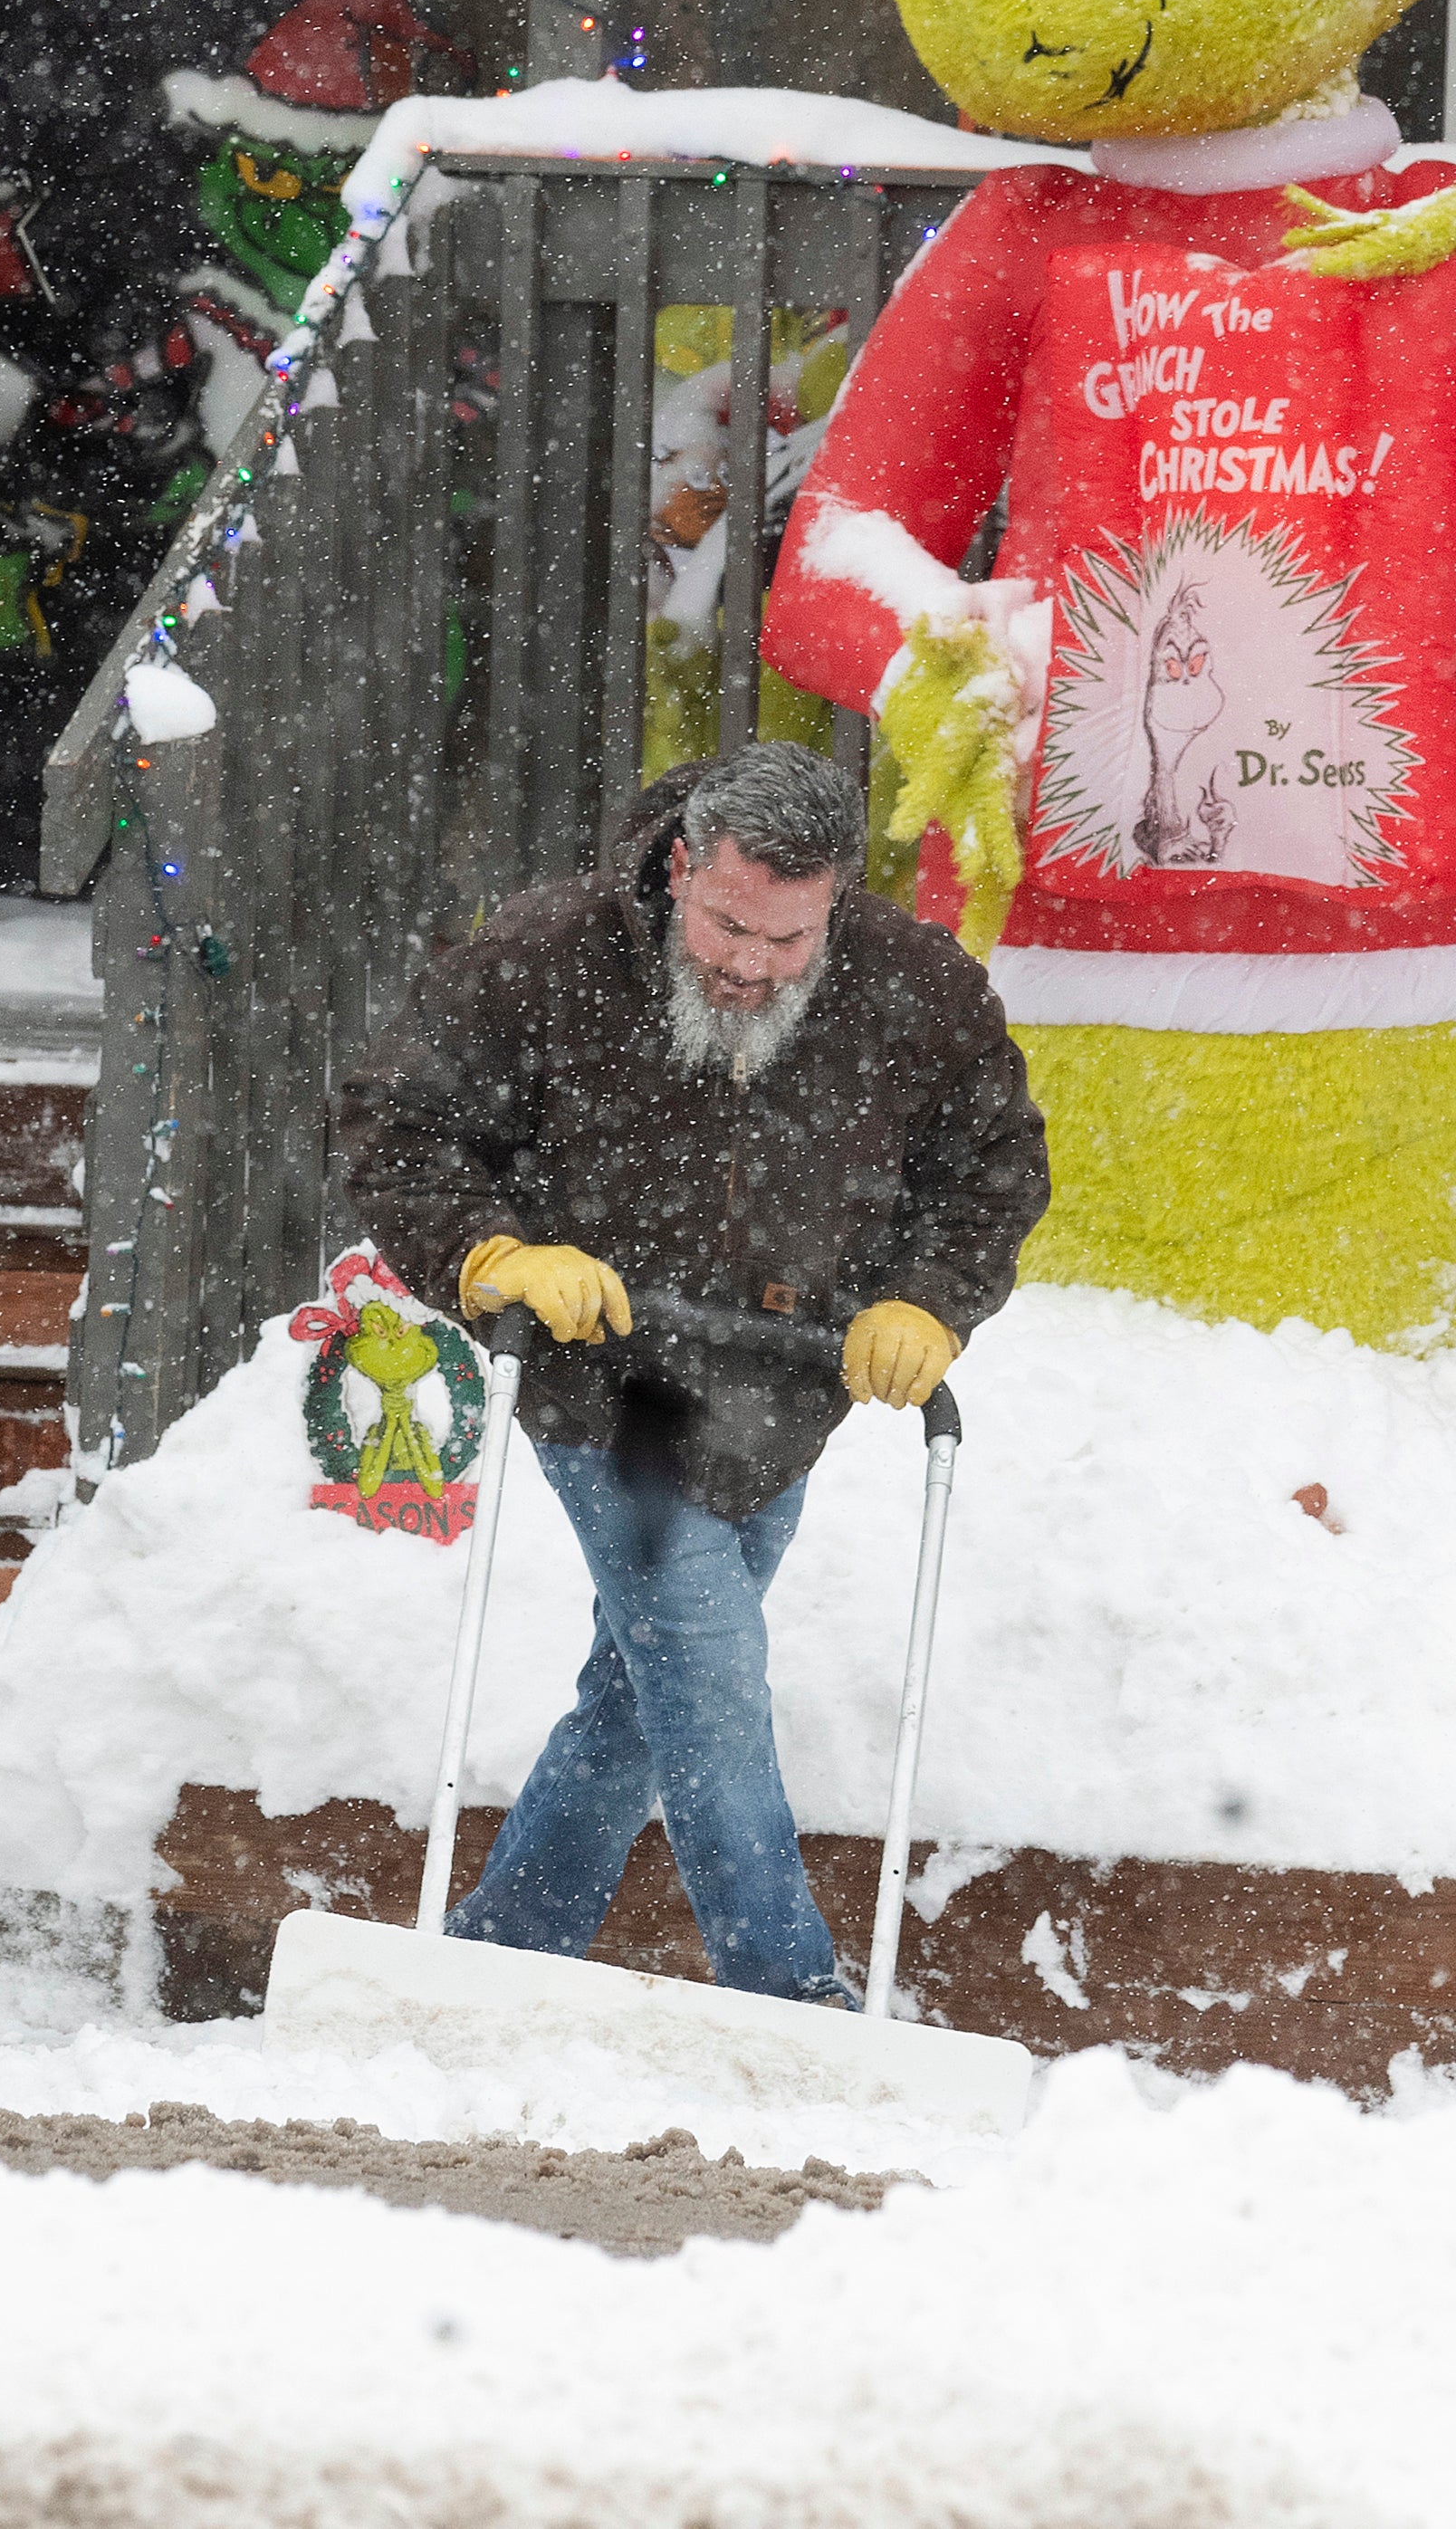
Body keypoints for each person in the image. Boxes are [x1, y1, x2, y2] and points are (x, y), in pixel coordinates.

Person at [337, 741, 1049, 2007]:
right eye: (727, 924)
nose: (750, 964)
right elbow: (401, 1121)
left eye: (788, 939)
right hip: (606, 1381)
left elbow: (990, 1165)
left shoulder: (913, 987)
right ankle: (791, 1995)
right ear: (680, 866)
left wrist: (926, 1303)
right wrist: (491, 1251)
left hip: (779, 1394)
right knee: (708, 1677)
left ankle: (498, 1963)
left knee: (640, 1694)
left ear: (834, 896)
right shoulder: (546, 956)